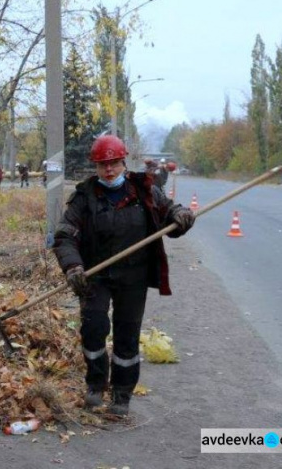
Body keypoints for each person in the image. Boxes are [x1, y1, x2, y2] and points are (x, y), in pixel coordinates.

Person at [53, 135, 195, 416]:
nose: (109, 170)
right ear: (95, 166)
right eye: (103, 165)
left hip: (134, 277)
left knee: (127, 335)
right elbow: (64, 236)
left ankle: (121, 393)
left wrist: (181, 217)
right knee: (93, 328)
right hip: (94, 275)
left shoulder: (145, 191)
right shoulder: (84, 197)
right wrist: (72, 266)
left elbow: (169, 214)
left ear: (123, 162)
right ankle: (95, 385)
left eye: (114, 164)